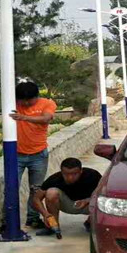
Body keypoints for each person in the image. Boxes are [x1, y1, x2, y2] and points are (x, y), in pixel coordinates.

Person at [10, 79, 57, 229]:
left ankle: (33, 218)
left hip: (38, 155)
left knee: (36, 189)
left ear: (36, 96)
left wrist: (24, 117)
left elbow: (46, 119)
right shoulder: (13, 104)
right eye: (23, 101)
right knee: (11, 188)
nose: (26, 104)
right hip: (15, 155)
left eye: (30, 100)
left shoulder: (47, 104)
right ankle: (8, 221)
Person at [32, 157, 102, 236]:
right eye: (66, 174)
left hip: (88, 205)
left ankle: (90, 222)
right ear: (61, 172)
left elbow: (106, 193)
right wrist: (45, 214)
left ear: (81, 171)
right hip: (68, 204)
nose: (70, 178)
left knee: (103, 200)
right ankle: (53, 225)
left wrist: (87, 200)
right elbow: (36, 198)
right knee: (51, 193)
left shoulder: (93, 175)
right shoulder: (54, 179)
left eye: (74, 174)